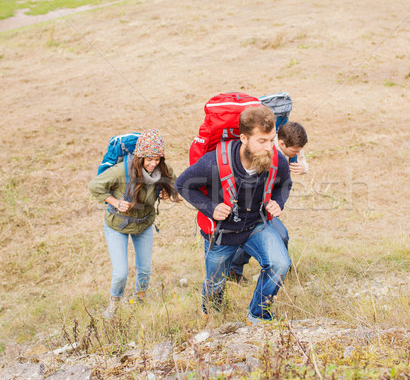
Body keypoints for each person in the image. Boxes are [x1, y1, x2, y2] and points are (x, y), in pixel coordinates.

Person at [176, 106, 293, 324]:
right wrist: (211, 208)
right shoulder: (213, 162)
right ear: (244, 139)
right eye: (262, 141)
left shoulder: (276, 158)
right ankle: (212, 314)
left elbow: (284, 183)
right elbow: (182, 184)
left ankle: (258, 315)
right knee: (216, 284)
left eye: (272, 140)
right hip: (222, 233)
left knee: (279, 264)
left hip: (255, 226)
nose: (269, 148)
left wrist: (279, 202)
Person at [88, 129, 180, 319]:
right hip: (117, 226)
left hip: (144, 224)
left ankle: (140, 298)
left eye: (157, 159)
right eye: (149, 159)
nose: (153, 163)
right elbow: (94, 186)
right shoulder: (121, 171)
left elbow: (174, 182)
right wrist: (115, 202)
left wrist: (167, 190)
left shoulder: (162, 169)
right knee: (121, 272)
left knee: (144, 268)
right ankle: (114, 304)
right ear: (140, 157)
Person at [229, 121, 309, 284]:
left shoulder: (289, 146)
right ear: (281, 144)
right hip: (253, 205)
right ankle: (276, 271)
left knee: (269, 235)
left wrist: (304, 167)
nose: (298, 153)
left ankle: (275, 270)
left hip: (267, 205)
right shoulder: (265, 154)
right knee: (278, 235)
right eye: (295, 151)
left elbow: (292, 173)